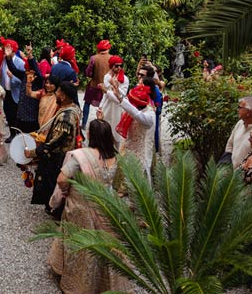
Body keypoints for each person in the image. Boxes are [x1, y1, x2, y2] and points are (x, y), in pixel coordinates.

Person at [47, 118, 131, 294]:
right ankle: (102, 283)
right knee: (103, 246)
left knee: (80, 245)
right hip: (105, 207)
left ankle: (77, 284)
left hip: (82, 206)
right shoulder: (114, 157)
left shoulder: (81, 156)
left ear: (91, 135)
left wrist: (67, 190)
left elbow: (62, 179)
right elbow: (118, 185)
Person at [25, 82, 81, 216]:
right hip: (63, 155)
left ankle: (55, 210)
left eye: (58, 92)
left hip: (58, 158)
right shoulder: (73, 108)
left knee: (53, 184)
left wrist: (33, 152)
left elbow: (54, 143)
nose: (56, 94)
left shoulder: (64, 117)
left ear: (63, 96)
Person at [107, 81, 156, 184]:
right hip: (128, 147)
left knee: (138, 183)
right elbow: (124, 103)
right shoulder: (135, 108)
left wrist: (121, 99)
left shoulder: (149, 115)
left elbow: (135, 113)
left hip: (140, 151)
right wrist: (113, 92)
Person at [220, 96, 252, 169]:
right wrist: (226, 164)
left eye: (240, 107)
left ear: (249, 112)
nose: (238, 109)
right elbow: (230, 145)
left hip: (246, 174)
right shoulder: (240, 123)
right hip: (231, 173)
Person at [98, 56, 129, 146]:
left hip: (118, 108)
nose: (119, 68)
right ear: (111, 66)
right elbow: (105, 93)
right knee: (105, 127)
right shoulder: (107, 77)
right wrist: (101, 105)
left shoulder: (125, 79)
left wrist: (111, 89)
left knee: (116, 131)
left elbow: (120, 97)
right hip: (107, 106)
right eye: (116, 66)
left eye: (120, 66)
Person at [82, 40, 112, 129]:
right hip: (106, 87)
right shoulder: (112, 58)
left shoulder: (93, 58)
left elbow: (88, 73)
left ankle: (84, 123)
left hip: (94, 86)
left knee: (87, 103)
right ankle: (102, 124)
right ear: (108, 48)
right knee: (103, 106)